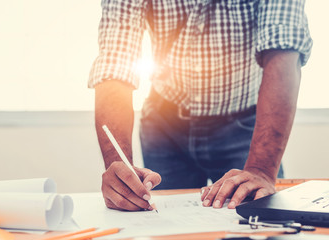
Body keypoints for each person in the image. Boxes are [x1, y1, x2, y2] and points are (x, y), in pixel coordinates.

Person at [89, 0, 312, 211]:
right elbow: (115, 62)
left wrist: (261, 169)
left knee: (257, 217)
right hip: (163, 127)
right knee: (164, 224)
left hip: (246, 128)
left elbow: (283, 51)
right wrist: (118, 167)